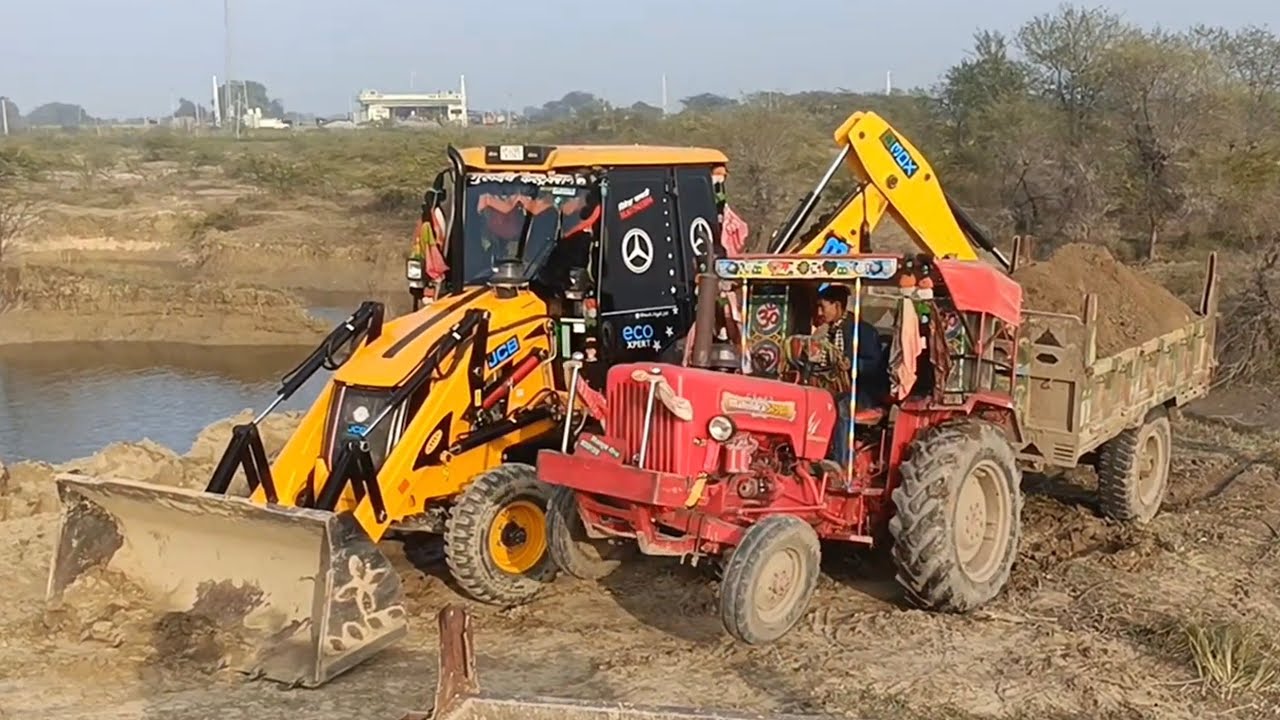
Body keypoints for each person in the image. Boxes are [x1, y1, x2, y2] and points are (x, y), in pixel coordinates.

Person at [815, 284, 889, 465]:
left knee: (842, 407)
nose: (819, 312)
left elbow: (876, 365)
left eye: (823, 307)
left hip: (865, 391)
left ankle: (842, 463)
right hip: (835, 388)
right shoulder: (826, 332)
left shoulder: (863, 331)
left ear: (837, 306)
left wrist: (853, 365)